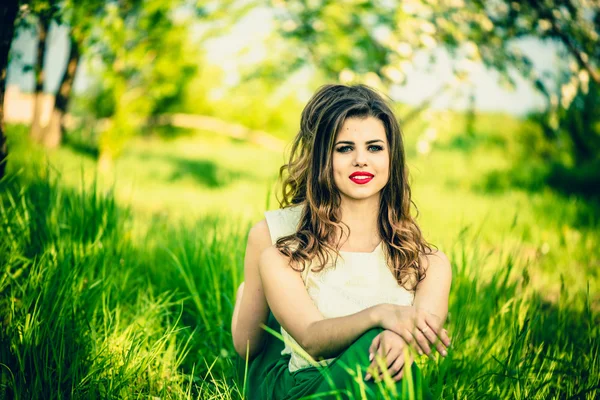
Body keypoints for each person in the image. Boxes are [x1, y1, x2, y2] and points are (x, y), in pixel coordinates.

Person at [231, 84, 452, 399]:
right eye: (345, 148)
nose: (361, 160)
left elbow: (420, 330)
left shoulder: (430, 263)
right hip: (306, 383)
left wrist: (399, 339)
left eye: (375, 148)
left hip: (378, 378)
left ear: (393, 157)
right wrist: (381, 315)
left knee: (382, 358)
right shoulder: (281, 250)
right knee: (372, 347)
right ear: (323, 157)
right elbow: (257, 345)